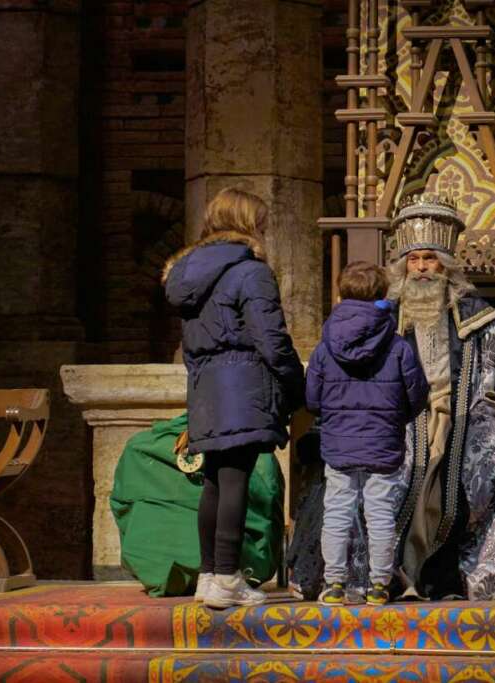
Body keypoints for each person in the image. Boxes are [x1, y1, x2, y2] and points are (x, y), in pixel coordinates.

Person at [386, 193, 495, 601]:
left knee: (489, 457)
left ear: (446, 263)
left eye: (430, 258)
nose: (422, 268)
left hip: (463, 417)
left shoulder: (475, 314)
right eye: (414, 259)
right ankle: (390, 576)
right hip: (400, 418)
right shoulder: (383, 316)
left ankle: (473, 579)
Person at [163, 186, 304, 609]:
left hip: (206, 384)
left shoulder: (187, 274)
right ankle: (227, 578)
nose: (264, 228)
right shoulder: (250, 272)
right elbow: (271, 338)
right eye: (260, 220)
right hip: (243, 384)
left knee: (213, 482)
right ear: (247, 222)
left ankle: (209, 574)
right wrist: (296, 383)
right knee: (235, 478)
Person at [305, 261, 429, 606]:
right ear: (381, 294)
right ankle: (379, 585)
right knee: (380, 514)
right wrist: (395, 418)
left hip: (339, 442)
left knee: (337, 512)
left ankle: (333, 585)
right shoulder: (398, 345)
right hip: (383, 442)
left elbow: (312, 399)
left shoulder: (325, 346)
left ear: (342, 293)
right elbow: (417, 394)